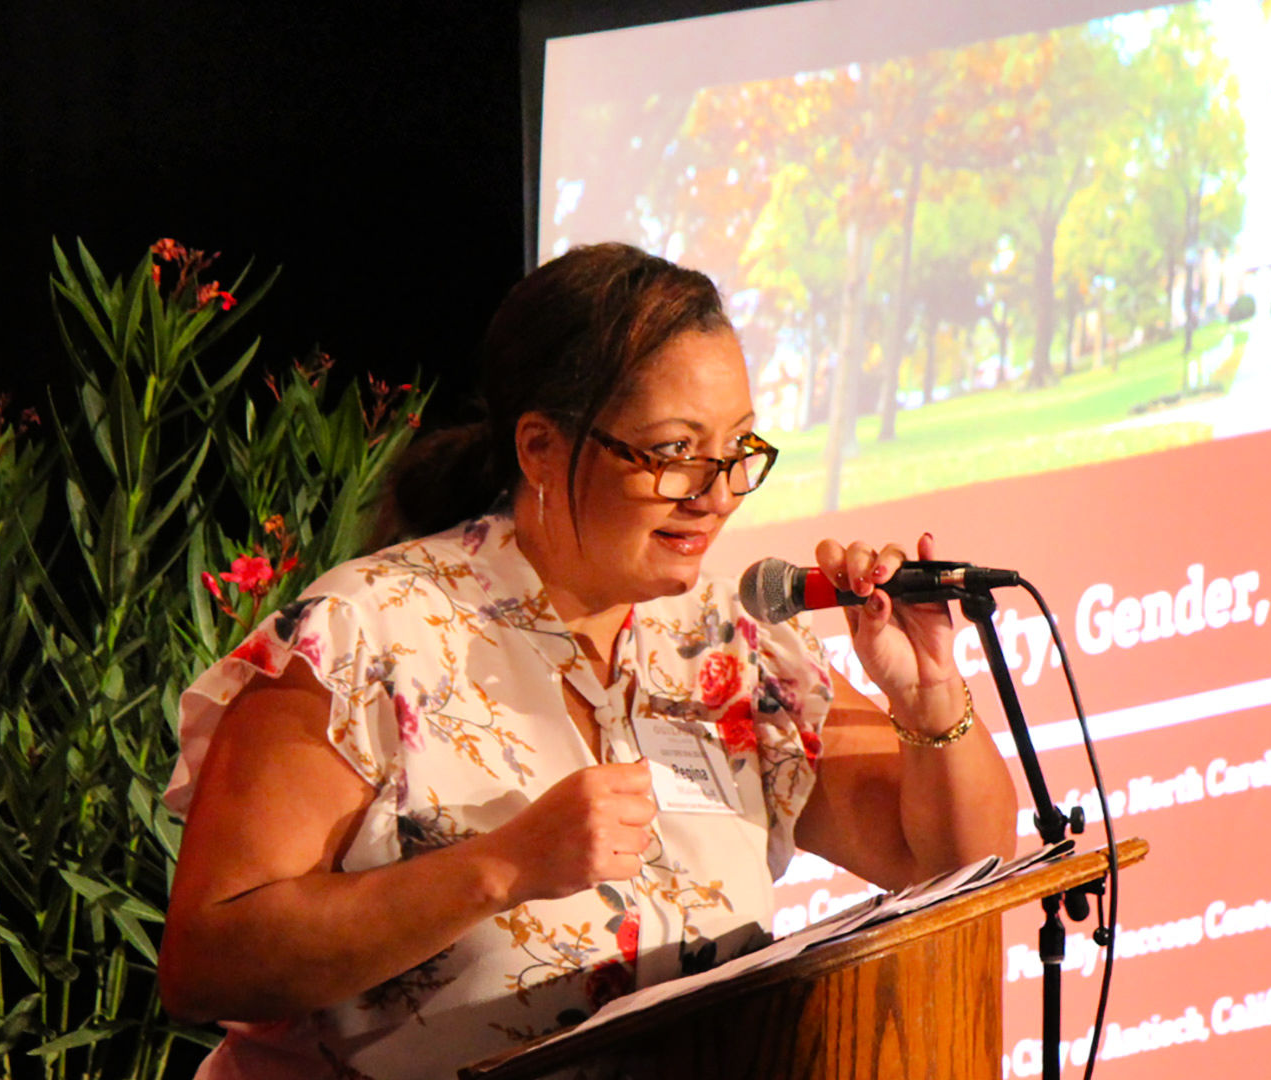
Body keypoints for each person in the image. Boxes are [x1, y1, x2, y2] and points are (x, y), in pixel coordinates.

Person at [156, 242, 1018, 1079]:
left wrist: (929, 690)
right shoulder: (366, 637)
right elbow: (209, 961)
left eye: (738, 449)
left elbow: (951, 865)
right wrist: (502, 867)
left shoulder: (733, 641)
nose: (716, 493)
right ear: (540, 448)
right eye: (676, 451)